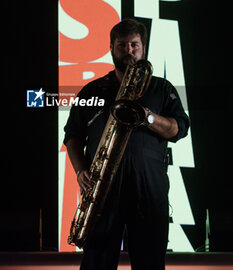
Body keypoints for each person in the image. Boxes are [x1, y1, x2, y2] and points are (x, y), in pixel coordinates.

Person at [64, 19, 190, 270]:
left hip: (148, 186)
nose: (129, 51)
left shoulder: (163, 88)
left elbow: (179, 129)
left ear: (143, 48)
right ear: (111, 48)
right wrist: (80, 171)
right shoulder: (92, 90)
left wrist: (148, 117)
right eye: (122, 45)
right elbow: (72, 137)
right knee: (97, 260)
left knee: (150, 261)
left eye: (134, 45)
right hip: (103, 186)